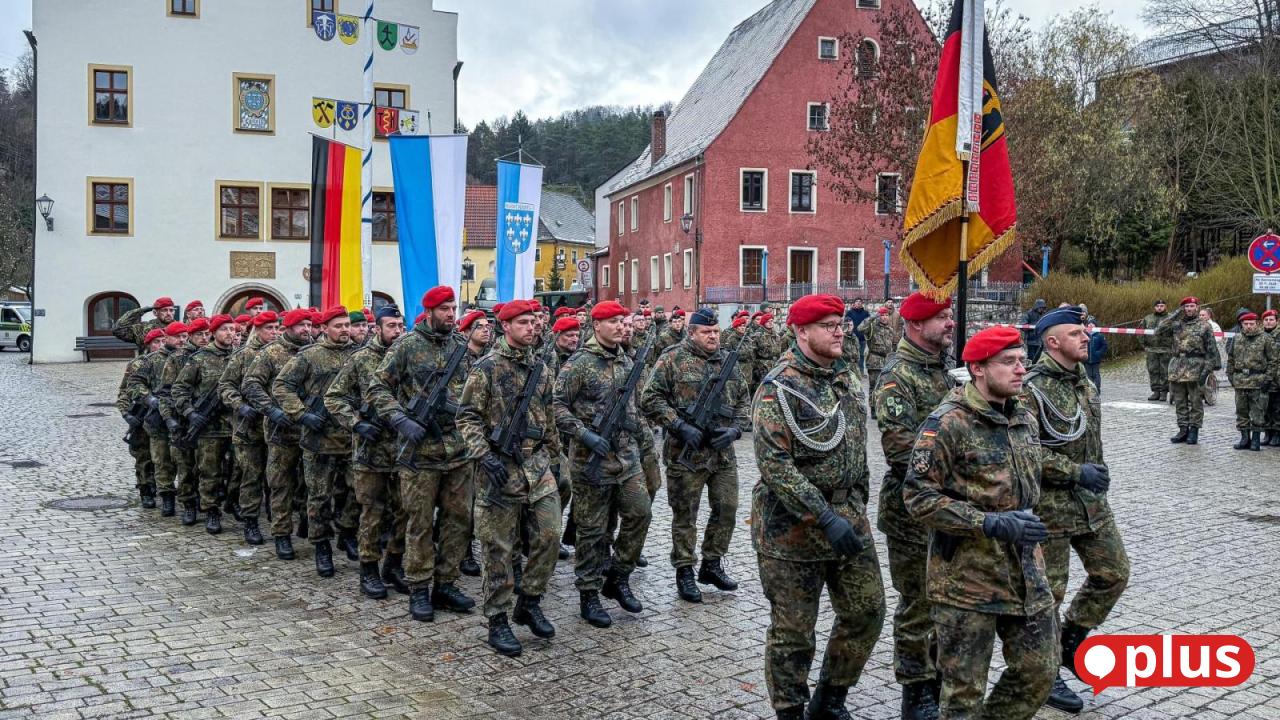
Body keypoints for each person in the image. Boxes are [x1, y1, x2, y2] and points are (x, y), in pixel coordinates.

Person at [904, 325, 1056, 720]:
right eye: (1008, 362)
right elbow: (918, 497)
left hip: (1024, 573)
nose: (1020, 369)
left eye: (1023, 360)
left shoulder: (1022, 416)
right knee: (962, 694)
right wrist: (988, 523)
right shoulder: (948, 423)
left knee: (1040, 670)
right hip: (966, 580)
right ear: (978, 369)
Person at [751, 294, 885, 720]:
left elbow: (857, 448)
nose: (839, 331)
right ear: (801, 331)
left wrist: (856, 501)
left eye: (840, 323)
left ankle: (830, 698)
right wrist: (824, 517)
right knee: (794, 632)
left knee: (867, 612)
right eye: (828, 324)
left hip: (849, 519)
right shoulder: (778, 390)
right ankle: (790, 710)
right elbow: (776, 467)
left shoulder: (845, 377)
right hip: (792, 531)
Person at [1022, 308, 1129, 713]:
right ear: (1052, 342)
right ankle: (1044, 675)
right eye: (1075, 333)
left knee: (1114, 573)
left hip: (1091, 505)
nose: (1086, 337)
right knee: (1049, 594)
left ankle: (1071, 642)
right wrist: (1073, 471)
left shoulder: (1082, 379)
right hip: (1050, 510)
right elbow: (1024, 451)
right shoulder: (1029, 388)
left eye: (1084, 331)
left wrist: (1094, 473)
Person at [456, 300, 562, 656]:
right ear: (506, 327)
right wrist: (483, 456)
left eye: (534, 322)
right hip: (498, 471)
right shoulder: (486, 368)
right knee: (498, 550)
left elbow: (547, 418)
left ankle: (529, 600)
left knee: (550, 535)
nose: (532, 327)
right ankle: (498, 620)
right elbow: (466, 417)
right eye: (523, 322)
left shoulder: (542, 369)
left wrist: (555, 458)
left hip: (537, 469)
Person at [367, 286, 477, 622]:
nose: (450, 314)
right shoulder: (406, 346)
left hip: (457, 450)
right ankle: (418, 587)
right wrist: (400, 419)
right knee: (419, 523)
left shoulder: (461, 346)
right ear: (428, 312)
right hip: (420, 453)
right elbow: (377, 387)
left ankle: (446, 583)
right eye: (443, 308)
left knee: (458, 520)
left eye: (453, 307)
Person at [873, 292, 955, 720]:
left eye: (949, 315)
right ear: (915, 325)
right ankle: (916, 688)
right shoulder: (897, 376)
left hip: (949, 507)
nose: (950, 323)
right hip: (912, 510)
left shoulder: (944, 368)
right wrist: (958, 469)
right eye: (940, 317)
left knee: (947, 600)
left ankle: (940, 676)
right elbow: (901, 450)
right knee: (918, 603)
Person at [639, 307, 749, 604]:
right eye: (706, 332)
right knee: (686, 515)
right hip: (685, 454)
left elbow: (743, 400)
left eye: (716, 332)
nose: (713, 336)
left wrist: (736, 430)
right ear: (692, 333)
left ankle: (712, 563)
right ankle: (685, 569)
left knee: (727, 508)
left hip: (721, 454)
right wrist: (677, 425)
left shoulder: (728, 360)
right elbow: (649, 398)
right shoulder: (672, 358)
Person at [553, 300, 652, 628]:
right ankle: (589, 593)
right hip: (590, 461)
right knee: (593, 531)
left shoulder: (627, 360)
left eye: (623, 321)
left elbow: (636, 407)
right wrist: (583, 435)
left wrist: (645, 445)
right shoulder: (580, 363)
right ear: (597, 326)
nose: (622, 326)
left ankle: (618, 575)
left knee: (641, 513)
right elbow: (557, 406)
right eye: (614, 322)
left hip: (627, 457)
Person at [326, 305, 410, 598]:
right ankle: (369, 570)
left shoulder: (409, 356)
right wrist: (356, 424)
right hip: (370, 451)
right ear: (378, 329)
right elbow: (334, 397)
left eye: (401, 326)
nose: (398, 332)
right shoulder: (361, 359)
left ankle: (395, 564)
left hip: (404, 450)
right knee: (372, 514)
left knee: (404, 511)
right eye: (392, 327)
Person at [242, 308, 314, 560]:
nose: (307, 329)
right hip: (280, 430)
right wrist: (271, 410)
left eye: (309, 324)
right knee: (281, 484)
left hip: (310, 429)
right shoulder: (270, 353)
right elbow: (251, 385)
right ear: (289, 328)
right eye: (302, 325)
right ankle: (282, 534)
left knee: (310, 484)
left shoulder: (313, 351)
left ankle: (311, 525)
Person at [218, 310, 280, 546]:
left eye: (277, 328)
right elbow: (225, 385)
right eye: (269, 329)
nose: (274, 333)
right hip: (249, 426)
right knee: (252, 475)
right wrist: (239, 405)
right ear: (257, 330)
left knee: (274, 477)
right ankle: (251, 522)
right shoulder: (243, 355)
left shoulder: (283, 353)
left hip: (276, 427)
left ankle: (277, 520)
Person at [172, 314, 237, 534]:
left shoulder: (241, 357)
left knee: (239, 470)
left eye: (233, 330)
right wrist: (190, 413)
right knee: (209, 471)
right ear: (214, 333)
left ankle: (234, 503)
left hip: (238, 425)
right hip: (209, 427)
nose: (230, 334)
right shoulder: (199, 359)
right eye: (224, 329)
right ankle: (210, 509)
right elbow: (179, 390)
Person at [128, 321, 188, 517]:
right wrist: (149, 398)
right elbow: (134, 385)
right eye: (178, 337)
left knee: (183, 459)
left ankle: (187, 497)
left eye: (184, 336)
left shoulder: (189, 358)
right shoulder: (151, 361)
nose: (182, 340)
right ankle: (167, 496)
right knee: (161, 460)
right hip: (157, 418)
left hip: (182, 417)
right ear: (167, 339)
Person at [159, 317, 210, 526]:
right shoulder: (177, 359)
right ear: (191, 336)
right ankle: (188, 503)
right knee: (185, 465)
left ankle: (205, 503)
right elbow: (167, 393)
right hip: (182, 419)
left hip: (207, 419)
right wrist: (171, 419)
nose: (204, 338)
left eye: (207, 334)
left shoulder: (213, 355)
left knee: (206, 466)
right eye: (200, 334)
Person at [1154, 297, 1219, 445]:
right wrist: (1175, 314)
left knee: (1196, 401)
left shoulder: (1204, 326)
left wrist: (1207, 370)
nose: (1189, 309)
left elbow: (1212, 352)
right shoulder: (1177, 324)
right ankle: (1183, 429)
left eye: (1191, 306)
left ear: (1197, 307)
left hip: (1196, 367)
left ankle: (1194, 430)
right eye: (1186, 307)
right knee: (1180, 401)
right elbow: (1158, 330)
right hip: (1177, 366)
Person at [118, 329, 164, 508]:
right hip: (142, 414)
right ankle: (146, 490)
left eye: (163, 341)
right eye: (156, 342)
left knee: (162, 456)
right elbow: (124, 391)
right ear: (149, 344)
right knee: (144, 456)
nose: (160, 345)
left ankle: (163, 487)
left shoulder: (170, 360)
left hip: (161, 415)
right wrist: (126, 414)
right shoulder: (136, 364)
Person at [1226, 312, 1278, 451]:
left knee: (1258, 412)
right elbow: (1230, 359)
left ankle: (1255, 439)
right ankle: (1244, 438)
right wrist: (1231, 376)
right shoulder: (1236, 338)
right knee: (1241, 411)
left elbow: (1273, 361)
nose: (1249, 326)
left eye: (1251, 324)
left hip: (1258, 381)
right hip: (1240, 380)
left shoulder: (1265, 339)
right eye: (1246, 324)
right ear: (1242, 325)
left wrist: (1268, 379)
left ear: (1257, 324)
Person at [859, 307, 899, 419]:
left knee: (887, 387)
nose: (885, 317)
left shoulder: (890, 329)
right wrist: (873, 317)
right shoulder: (872, 327)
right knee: (874, 387)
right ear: (879, 316)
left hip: (887, 362)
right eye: (882, 315)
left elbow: (894, 346)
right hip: (875, 361)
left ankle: (884, 409)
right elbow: (860, 328)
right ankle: (873, 410)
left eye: (886, 315)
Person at [1139, 300, 1172, 401]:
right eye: (1157, 306)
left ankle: (1164, 392)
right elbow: (1140, 332)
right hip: (1151, 349)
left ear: (1165, 307)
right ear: (1154, 307)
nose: (1159, 308)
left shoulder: (1170, 318)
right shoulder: (1148, 318)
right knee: (1153, 370)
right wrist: (1144, 345)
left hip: (1166, 349)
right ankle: (1155, 391)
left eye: (1162, 306)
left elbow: (1176, 332)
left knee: (1165, 371)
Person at [1198, 307, 1224, 406]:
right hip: (1199, 353)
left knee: (1207, 374)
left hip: (1210, 352)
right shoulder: (1196, 324)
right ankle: (1198, 394)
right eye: (1200, 315)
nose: (1201, 317)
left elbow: (1219, 337)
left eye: (1203, 315)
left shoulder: (1214, 325)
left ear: (1208, 315)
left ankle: (1208, 394)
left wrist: (1208, 342)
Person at [1264, 310, 1280, 446]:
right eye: (1266, 320)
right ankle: (1267, 433)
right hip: (1263, 378)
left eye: (1271, 320)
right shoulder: (1261, 336)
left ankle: (1276, 433)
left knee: (1277, 408)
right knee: (1265, 407)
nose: (1268, 322)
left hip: (1277, 378)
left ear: (1277, 321)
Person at [1084, 316, 1108, 394]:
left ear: (1095, 325)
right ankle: (1090, 391)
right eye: (1089, 324)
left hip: (1096, 360)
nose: (1090, 325)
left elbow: (1104, 346)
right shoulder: (1084, 335)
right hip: (1086, 360)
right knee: (1088, 376)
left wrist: (1099, 353)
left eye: (1092, 324)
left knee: (1096, 375)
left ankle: (1097, 389)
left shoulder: (1099, 336)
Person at [845, 300, 869, 372]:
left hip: (862, 338)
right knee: (851, 355)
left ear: (862, 303)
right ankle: (851, 371)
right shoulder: (849, 313)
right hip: (851, 338)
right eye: (857, 301)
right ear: (854, 303)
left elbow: (869, 324)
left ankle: (861, 371)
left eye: (860, 301)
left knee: (861, 355)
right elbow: (846, 323)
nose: (858, 302)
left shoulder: (866, 313)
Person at [1023, 299, 1047, 365]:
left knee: (1039, 358)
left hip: (1040, 340)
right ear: (1037, 306)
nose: (1041, 309)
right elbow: (1023, 325)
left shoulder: (1044, 314)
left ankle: (1036, 369)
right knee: (1031, 357)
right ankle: (1030, 370)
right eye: (1040, 307)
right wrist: (1031, 327)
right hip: (1031, 340)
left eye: (1043, 307)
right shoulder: (1029, 314)